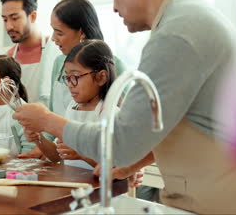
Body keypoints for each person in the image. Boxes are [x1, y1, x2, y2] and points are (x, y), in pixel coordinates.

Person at [13, 0, 236, 213]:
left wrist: (47, 120)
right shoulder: (187, 17)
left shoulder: (176, 34)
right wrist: (131, 165)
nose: (113, 7)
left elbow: (122, 142)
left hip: (220, 200)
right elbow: (169, 124)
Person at [34, 40, 151, 188]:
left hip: (101, 191)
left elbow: (115, 169)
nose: (70, 84)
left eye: (76, 77)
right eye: (67, 77)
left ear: (101, 77)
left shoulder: (111, 114)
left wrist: (80, 153)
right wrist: (38, 137)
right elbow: (56, 156)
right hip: (73, 187)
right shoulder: (72, 108)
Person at [49, 0, 127, 116]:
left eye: (59, 33)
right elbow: (51, 116)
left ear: (82, 32)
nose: (53, 38)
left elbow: (125, 116)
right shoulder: (59, 63)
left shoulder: (113, 65)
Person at [1, 0, 59, 106]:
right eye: (5, 20)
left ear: (33, 16)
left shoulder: (55, 48)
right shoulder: (8, 57)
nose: (8, 27)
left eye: (15, 18)